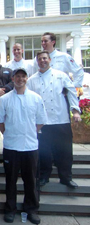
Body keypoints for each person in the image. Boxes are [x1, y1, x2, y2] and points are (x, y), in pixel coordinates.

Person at [0, 68, 47, 224]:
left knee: (31, 181)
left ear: (27, 79)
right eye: (17, 76)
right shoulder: (4, 99)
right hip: (11, 146)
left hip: (30, 146)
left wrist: (29, 133)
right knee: (10, 180)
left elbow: (40, 122)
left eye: (23, 76)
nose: (20, 79)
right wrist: (10, 134)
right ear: (12, 78)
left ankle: (31, 209)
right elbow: (0, 122)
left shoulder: (36, 98)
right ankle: (10, 209)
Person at [27, 51, 81, 189]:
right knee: (43, 152)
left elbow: (72, 92)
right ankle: (44, 177)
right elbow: (29, 100)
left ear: (50, 59)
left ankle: (66, 178)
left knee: (64, 151)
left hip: (60, 118)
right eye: (40, 59)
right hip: (42, 122)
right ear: (37, 62)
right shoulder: (32, 79)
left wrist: (75, 110)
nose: (42, 61)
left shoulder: (61, 76)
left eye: (45, 58)